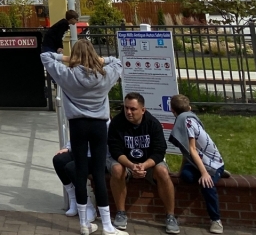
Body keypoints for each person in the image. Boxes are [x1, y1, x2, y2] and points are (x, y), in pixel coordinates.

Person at [41, 39, 122, 235]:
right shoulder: (105, 76)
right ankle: (108, 225)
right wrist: (98, 59)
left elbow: (45, 56)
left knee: (80, 172)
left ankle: (84, 223)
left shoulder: (67, 76)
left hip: (77, 125)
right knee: (98, 174)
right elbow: (118, 62)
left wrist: (68, 57)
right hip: (99, 125)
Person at [108, 92, 177, 234]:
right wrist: (132, 166)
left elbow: (159, 151)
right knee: (116, 169)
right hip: (126, 162)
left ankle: (170, 216)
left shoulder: (153, 124)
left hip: (148, 162)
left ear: (143, 110)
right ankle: (120, 213)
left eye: (133, 109)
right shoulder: (117, 123)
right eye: (126, 108)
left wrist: (143, 166)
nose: (128, 112)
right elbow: (115, 151)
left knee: (163, 171)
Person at [169, 95, 226, 234]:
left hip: (212, 164)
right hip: (197, 163)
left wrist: (205, 173)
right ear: (189, 108)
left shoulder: (187, 123)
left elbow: (193, 150)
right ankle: (213, 173)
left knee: (206, 184)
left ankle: (216, 220)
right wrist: (179, 171)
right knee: (186, 176)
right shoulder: (190, 118)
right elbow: (187, 152)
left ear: (172, 110)